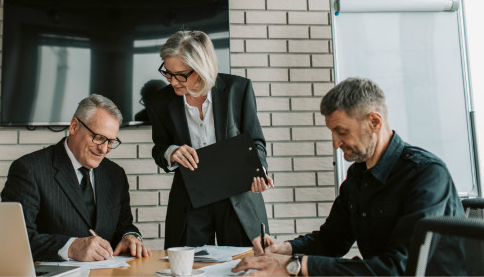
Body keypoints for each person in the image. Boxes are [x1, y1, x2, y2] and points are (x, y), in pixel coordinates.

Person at [232, 77, 464, 276]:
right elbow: (331, 240)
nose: (335, 143)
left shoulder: (427, 174)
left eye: (342, 132)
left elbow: (400, 269)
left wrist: (295, 266)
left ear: (374, 122)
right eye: (333, 133)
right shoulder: (358, 175)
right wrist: (287, 249)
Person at [146, 30, 274, 249]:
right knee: (187, 268)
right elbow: (160, 147)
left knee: (245, 266)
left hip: (239, 197)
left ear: (201, 68)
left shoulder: (238, 89)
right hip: (190, 199)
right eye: (168, 73)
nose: (173, 81)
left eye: (181, 75)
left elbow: (256, 141)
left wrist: (258, 170)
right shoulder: (159, 102)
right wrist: (171, 152)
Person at [1, 94, 151, 261]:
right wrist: (71, 248)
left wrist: (129, 236)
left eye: (110, 141)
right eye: (99, 138)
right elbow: (14, 239)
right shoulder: (29, 170)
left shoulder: (116, 175)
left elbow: (124, 226)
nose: (104, 149)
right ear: (74, 127)